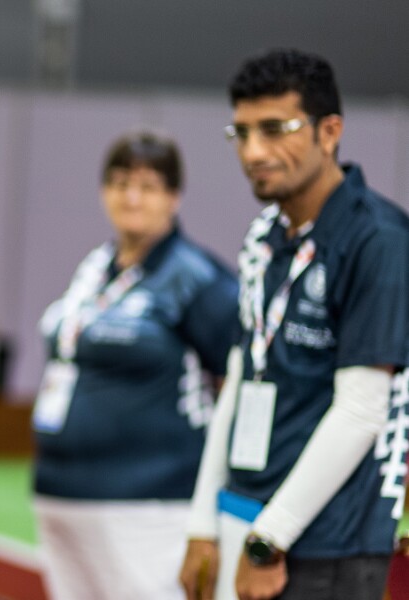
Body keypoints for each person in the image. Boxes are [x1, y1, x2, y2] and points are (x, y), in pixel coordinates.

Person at [180, 48, 409, 600]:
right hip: (247, 515)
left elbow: (361, 410)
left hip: (328, 541)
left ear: (329, 132)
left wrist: (269, 540)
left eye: (276, 129)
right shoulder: (264, 238)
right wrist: (202, 524)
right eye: (242, 132)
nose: (254, 151)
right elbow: (240, 374)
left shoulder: (378, 240)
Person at [30, 129, 239, 600]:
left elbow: (242, 385)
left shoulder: (197, 280)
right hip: (62, 495)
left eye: (148, 186)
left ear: (174, 197)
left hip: (152, 504)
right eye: (120, 182)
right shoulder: (96, 269)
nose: (131, 197)